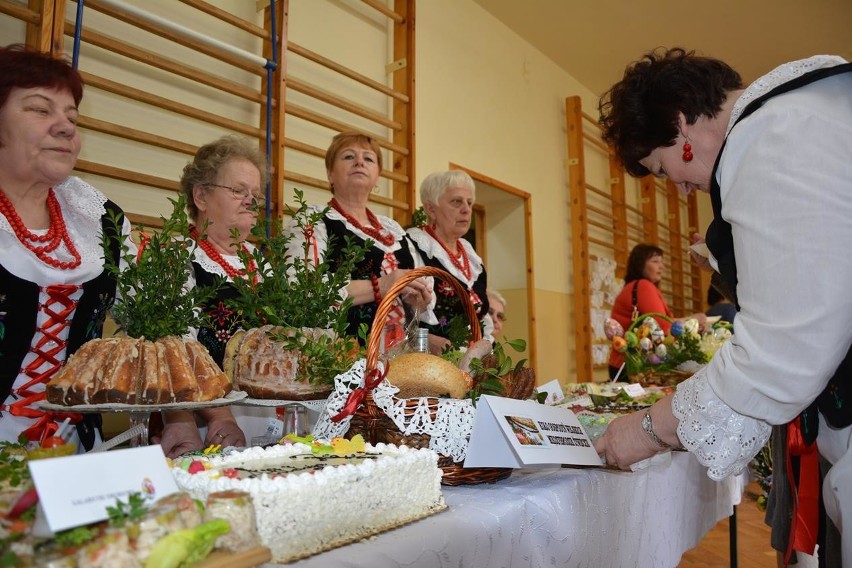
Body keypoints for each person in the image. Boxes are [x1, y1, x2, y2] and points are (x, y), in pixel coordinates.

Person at [593, 47, 852, 564]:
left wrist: (649, 429)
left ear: (680, 122)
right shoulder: (810, 107)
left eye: (660, 170)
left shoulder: (769, 139)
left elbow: (784, 354)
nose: (682, 190)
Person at [0, 45, 131, 451]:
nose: (65, 127)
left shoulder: (99, 219)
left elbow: (158, 321)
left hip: (77, 461)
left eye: (72, 116)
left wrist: (181, 416)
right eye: (40, 110)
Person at [152, 136, 264, 457]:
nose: (250, 201)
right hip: (200, 429)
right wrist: (216, 416)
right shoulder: (176, 261)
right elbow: (173, 353)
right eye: (238, 191)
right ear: (201, 196)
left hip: (264, 426)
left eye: (255, 194)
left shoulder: (266, 264)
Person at [286, 131, 431, 343]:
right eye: (348, 156)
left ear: (377, 177)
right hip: (339, 357)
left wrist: (418, 299)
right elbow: (300, 290)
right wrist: (381, 285)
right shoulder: (313, 220)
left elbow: (421, 291)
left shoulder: (394, 230)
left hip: (401, 358)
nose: (359, 162)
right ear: (330, 173)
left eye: (368, 158)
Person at [406, 170, 492, 353]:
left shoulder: (471, 255)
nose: (466, 209)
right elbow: (401, 316)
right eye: (456, 202)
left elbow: (483, 318)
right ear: (431, 209)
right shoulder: (413, 247)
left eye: (469, 202)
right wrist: (425, 341)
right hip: (427, 364)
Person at [607, 243, 707, 379]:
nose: (662, 266)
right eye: (655, 261)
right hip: (633, 366)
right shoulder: (644, 286)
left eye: (661, 261)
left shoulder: (635, 287)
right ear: (640, 265)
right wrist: (693, 320)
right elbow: (663, 326)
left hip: (624, 363)